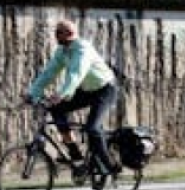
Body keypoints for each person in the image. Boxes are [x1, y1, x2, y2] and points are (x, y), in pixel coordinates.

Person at [25, 19, 119, 175]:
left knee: (92, 128)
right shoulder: (62, 51)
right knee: (56, 109)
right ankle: (74, 151)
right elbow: (48, 73)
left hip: (105, 89)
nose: (55, 36)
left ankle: (109, 165)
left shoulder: (82, 49)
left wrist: (61, 94)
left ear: (69, 34)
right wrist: (33, 93)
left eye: (58, 33)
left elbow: (76, 74)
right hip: (85, 90)